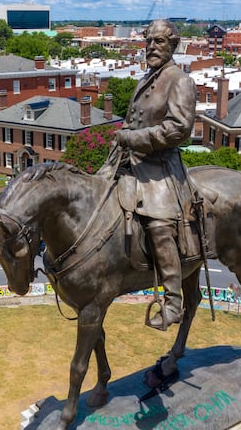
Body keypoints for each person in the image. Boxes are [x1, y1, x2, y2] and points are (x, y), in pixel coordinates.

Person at [100, 19, 196, 331]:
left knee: (158, 223)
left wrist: (134, 139)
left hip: (160, 166)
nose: (152, 47)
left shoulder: (179, 80)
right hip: (127, 159)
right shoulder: (147, 78)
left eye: (159, 42)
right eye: (149, 42)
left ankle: (172, 301)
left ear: (173, 46)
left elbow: (179, 129)